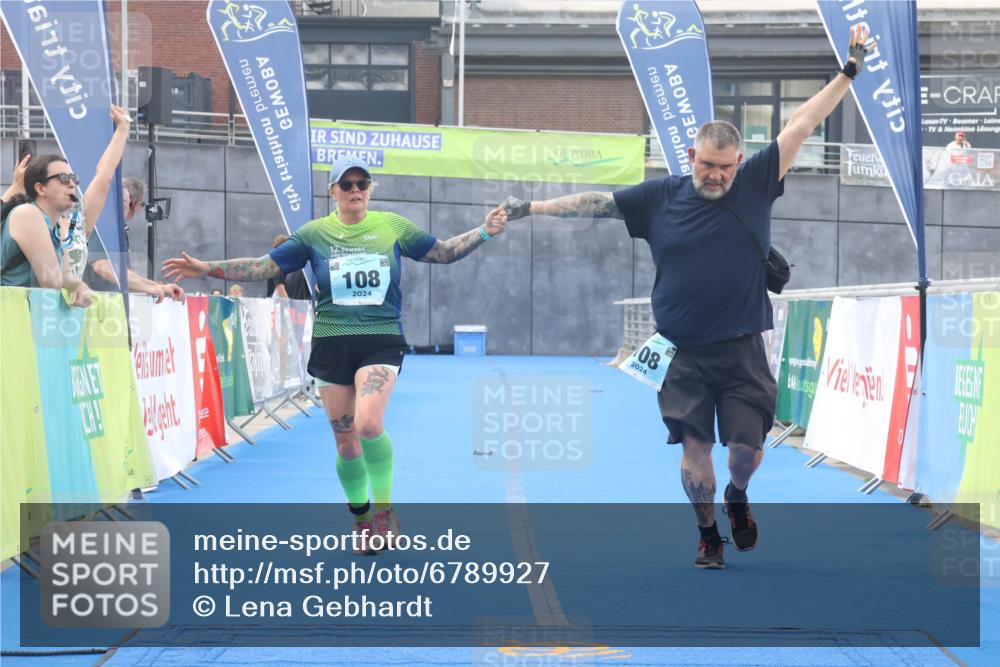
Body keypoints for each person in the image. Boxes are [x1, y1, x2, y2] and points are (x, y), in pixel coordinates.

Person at [500, 27, 872, 570]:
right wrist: (530, 208)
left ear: (739, 160)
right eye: (706, 165)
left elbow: (802, 122)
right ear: (691, 155)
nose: (716, 175)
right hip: (680, 353)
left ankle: (737, 496)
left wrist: (848, 72)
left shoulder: (758, 181)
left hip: (742, 347)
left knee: (746, 452)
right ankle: (707, 535)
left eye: (726, 166)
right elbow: (597, 203)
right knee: (695, 450)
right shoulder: (659, 197)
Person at [164, 155, 508, 554]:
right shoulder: (313, 234)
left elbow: (443, 252)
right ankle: (360, 516)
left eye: (363, 184)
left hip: (380, 339)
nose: (356, 191)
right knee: (346, 445)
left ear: (371, 189)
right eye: (347, 185)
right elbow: (262, 266)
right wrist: (207, 267)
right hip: (332, 343)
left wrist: (484, 231)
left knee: (368, 424)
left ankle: (383, 512)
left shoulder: (392, 227)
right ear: (333, 192)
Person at [1, 153, 93, 306]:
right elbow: (50, 280)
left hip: (17, 314)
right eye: (63, 178)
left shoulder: (57, 226)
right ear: (40, 188)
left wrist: (80, 286)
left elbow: (65, 276)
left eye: (74, 178)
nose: (72, 184)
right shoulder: (27, 214)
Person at [85, 177, 185, 302]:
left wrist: (156, 286)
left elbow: (125, 277)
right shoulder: (103, 227)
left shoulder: (115, 229)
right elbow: (102, 266)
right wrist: (152, 287)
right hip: (91, 307)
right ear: (136, 205)